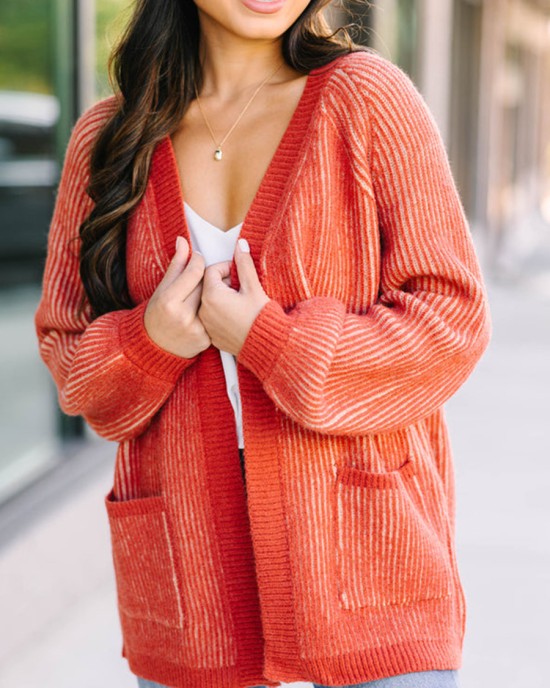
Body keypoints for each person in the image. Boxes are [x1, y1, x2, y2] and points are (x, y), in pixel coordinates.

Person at [34, 1, 492, 687]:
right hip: (193, 582)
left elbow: (451, 320)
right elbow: (70, 355)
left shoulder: (368, 100)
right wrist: (151, 341)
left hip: (367, 563)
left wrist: (271, 342)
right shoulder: (109, 137)